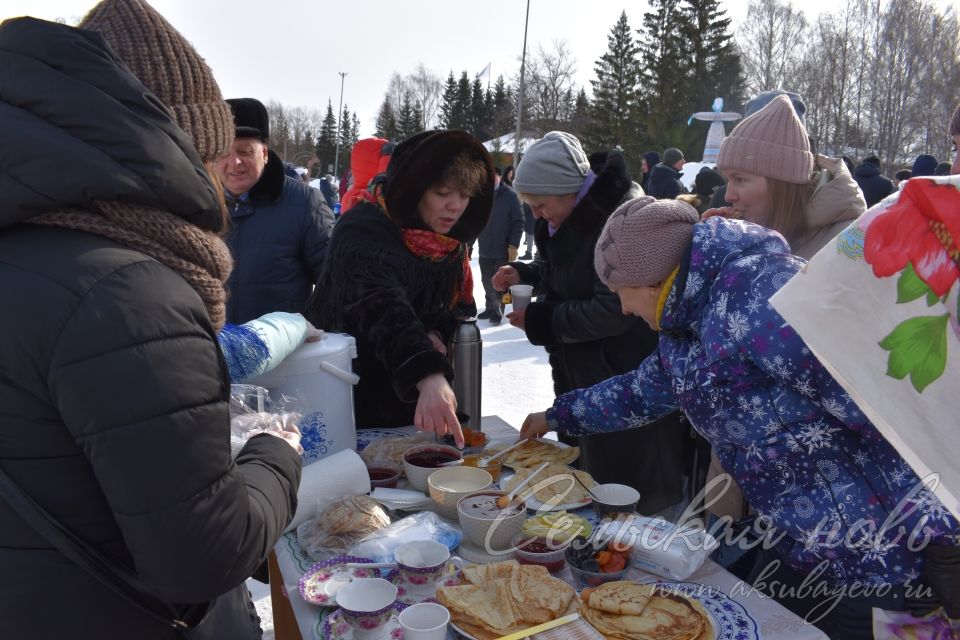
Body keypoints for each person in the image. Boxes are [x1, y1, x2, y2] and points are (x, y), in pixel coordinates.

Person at [520, 197, 960, 638]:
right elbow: (640, 393)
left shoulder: (762, 305)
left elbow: (883, 413)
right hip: (792, 539)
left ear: (652, 283)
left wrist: (942, 535)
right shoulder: (685, 319)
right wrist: (556, 415)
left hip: (870, 556)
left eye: (621, 295)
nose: (623, 310)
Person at [0, 4, 302, 639]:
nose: (222, 185)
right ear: (175, 146)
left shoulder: (30, 252)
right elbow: (205, 554)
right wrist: (277, 455)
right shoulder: (128, 293)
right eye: (216, 160)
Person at [492, 132, 687, 515]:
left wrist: (543, 320)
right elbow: (568, 272)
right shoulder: (566, 217)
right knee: (588, 487)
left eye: (540, 204)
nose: (536, 215)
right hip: (585, 376)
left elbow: (612, 309)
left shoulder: (620, 222)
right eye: (529, 205)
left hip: (623, 372)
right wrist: (527, 273)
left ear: (567, 191)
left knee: (629, 498)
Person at [304, 131, 495, 445]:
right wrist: (426, 372)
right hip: (344, 394)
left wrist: (434, 331)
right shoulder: (363, 228)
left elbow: (448, 307)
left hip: (404, 401)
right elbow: (380, 304)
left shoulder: (447, 244)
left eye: (464, 195)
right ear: (415, 190)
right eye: (443, 192)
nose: (455, 206)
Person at [214, 97, 334, 324]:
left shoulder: (305, 204)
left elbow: (336, 285)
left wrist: (306, 328)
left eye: (245, 151)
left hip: (283, 356)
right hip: (214, 353)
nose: (234, 162)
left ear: (265, 153)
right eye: (223, 153)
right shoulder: (197, 206)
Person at [477, 169, 524, 324]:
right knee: (485, 280)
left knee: (501, 281)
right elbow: (475, 221)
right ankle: (490, 307)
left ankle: (499, 309)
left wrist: (514, 245)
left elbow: (518, 222)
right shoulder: (482, 196)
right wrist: (469, 244)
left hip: (502, 248)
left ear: (498, 177)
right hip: (484, 247)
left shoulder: (511, 196)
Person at [503, 164, 536, 260]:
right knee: (529, 232)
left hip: (527, 211)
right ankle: (531, 252)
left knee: (530, 232)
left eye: (512, 173)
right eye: (510, 173)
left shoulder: (529, 187)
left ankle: (529, 252)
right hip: (523, 210)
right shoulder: (507, 184)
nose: (511, 174)